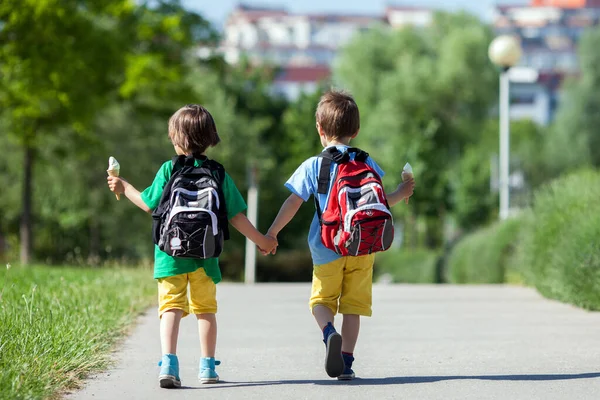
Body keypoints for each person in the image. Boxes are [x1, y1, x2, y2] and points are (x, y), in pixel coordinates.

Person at [107, 104, 277, 388]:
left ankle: (169, 362)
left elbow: (150, 205)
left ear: (176, 138)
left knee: (171, 307)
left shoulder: (169, 169)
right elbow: (236, 216)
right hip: (206, 258)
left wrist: (124, 187)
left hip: (169, 255)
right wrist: (263, 241)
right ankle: (208, 367)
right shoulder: (218, 173)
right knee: (205, 310)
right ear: (210, 138)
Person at [265, 90, 414, 380]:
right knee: (353, 307)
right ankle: (346, 362)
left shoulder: (314, 165)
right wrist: (402, 191)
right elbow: (381, 201)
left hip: (327, 247)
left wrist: (272, 232)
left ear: (320, 130)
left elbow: (293, 202)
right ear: (355, 131)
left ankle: (328, 332)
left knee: (321, 302)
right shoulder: (366, 162)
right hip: (362, 246)